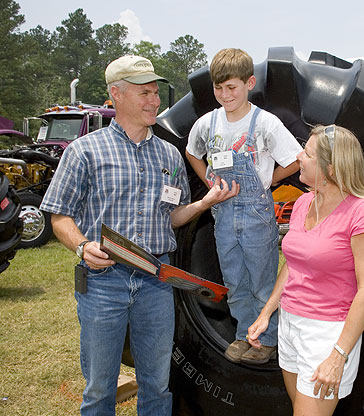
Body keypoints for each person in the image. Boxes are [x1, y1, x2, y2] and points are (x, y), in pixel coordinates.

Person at [40, 55, 238, 415]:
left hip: (156, 283)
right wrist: (83, 246)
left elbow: (173, 217)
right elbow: (59, 216)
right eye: (144, 92)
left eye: (155, 92)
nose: (155, 100)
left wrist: (204, 202)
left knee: (158, 385)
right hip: (103, 282)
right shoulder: (84, 151)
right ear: (116, 94)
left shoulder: (169, 155)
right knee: (101, 388)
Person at [247, 125, 364, 415]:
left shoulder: (363, 212)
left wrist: (338, 355)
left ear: (330, 169)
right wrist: (267, 313)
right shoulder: (302, 203)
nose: (299, 156)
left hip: (327, 333)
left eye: (308, 154)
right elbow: (294, 265)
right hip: (290, 324)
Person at [185, 48, 303, 365]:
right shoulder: (207, 124)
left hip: (256, 214)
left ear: (249, 83)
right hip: (222, 215)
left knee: (262, 281)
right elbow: (193, 153)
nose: (225, 95)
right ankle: (242, 335)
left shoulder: (265, 123)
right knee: (235, 280)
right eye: (218, 88)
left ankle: (265, 339)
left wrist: (269, 180)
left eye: (232, 87)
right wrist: (209, 182)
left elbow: (296, 160)